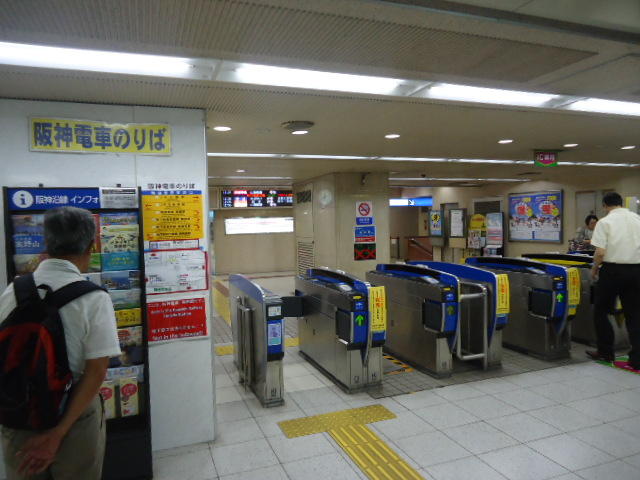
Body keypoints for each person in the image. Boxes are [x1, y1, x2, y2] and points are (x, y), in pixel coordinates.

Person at [0, 207, 121, 479]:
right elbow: (96, 371)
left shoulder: (13, 290)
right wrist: (58, 433)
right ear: (91, 246)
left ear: (47, 243)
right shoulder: (94, 298)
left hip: (18, 417)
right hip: (73, 420)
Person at [587, 192, 640, 369]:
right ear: (620, 203)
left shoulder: (605, 222)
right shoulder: (637, 219)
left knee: (601, 311)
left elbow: (600, 252)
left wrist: (595, 269)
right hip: (636, 270)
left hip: (612, 271)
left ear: (605, 205)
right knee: (634, 314)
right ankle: (637, 359)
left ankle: (605, 352)